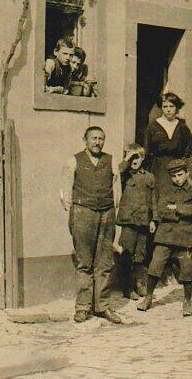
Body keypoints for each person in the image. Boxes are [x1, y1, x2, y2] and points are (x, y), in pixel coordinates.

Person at [60, 126, 122, 324]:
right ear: (85, 140)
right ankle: (83, 307)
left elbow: (117, 191)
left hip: (106, 214)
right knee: (84, 262)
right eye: (93, 138)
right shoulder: (74, 161)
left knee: (104, 263)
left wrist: (112, 211)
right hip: (83, 213)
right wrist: (74, 213)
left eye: (101, 138)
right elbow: (65, 191)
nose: (97, 142)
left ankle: (102, 306)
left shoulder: (111, 162)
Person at [138, 158, 192, 317]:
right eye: (174, 176)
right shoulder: (165, 190)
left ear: (187, 173)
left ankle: (187, 302)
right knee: (155, 265)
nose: (177, 179)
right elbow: (161, 210)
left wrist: (175, 208)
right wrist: (180, 213)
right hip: (165, 234)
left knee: (187, 268)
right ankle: (148, 297)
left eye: (180, 175)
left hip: (187, 236)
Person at [116, 143, 155, 299]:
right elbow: (117, 172)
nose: (134, 160)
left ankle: (139, 284)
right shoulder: (124, 175)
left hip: (144, 221)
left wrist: (154, 220)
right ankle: (127, 288)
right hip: (128, 221)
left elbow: (154, 200)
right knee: (127, 253)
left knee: (140, 254)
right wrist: (126, 158)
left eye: (137, 156)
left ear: (143, 158)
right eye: (131, 157)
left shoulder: (150, 177)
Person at [144, 91, 192, 198]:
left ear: (176, 107)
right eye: (165, 106)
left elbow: (189, 152)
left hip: (178, 169)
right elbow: (147, 152)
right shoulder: (152, 127)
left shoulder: (182, 127)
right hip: (159, 169)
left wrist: (186, 173)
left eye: (171, 106)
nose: (168, 109)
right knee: (160, 198)